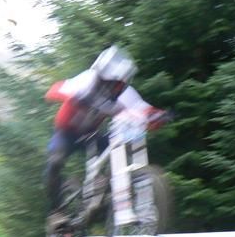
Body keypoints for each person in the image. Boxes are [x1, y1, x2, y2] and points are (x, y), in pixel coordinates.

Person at [43, 45, 171, 227]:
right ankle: (56, 212)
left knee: (119, 152)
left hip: (91, 134)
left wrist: (160, 115)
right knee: (55, 162)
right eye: (107, 83)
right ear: (100, 75)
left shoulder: (123, 93)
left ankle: (101, 193)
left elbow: (142, 110)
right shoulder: (86, 80)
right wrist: (72, 96)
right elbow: (54, 90)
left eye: (116, 85)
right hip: (66, 132)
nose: (111, 88)